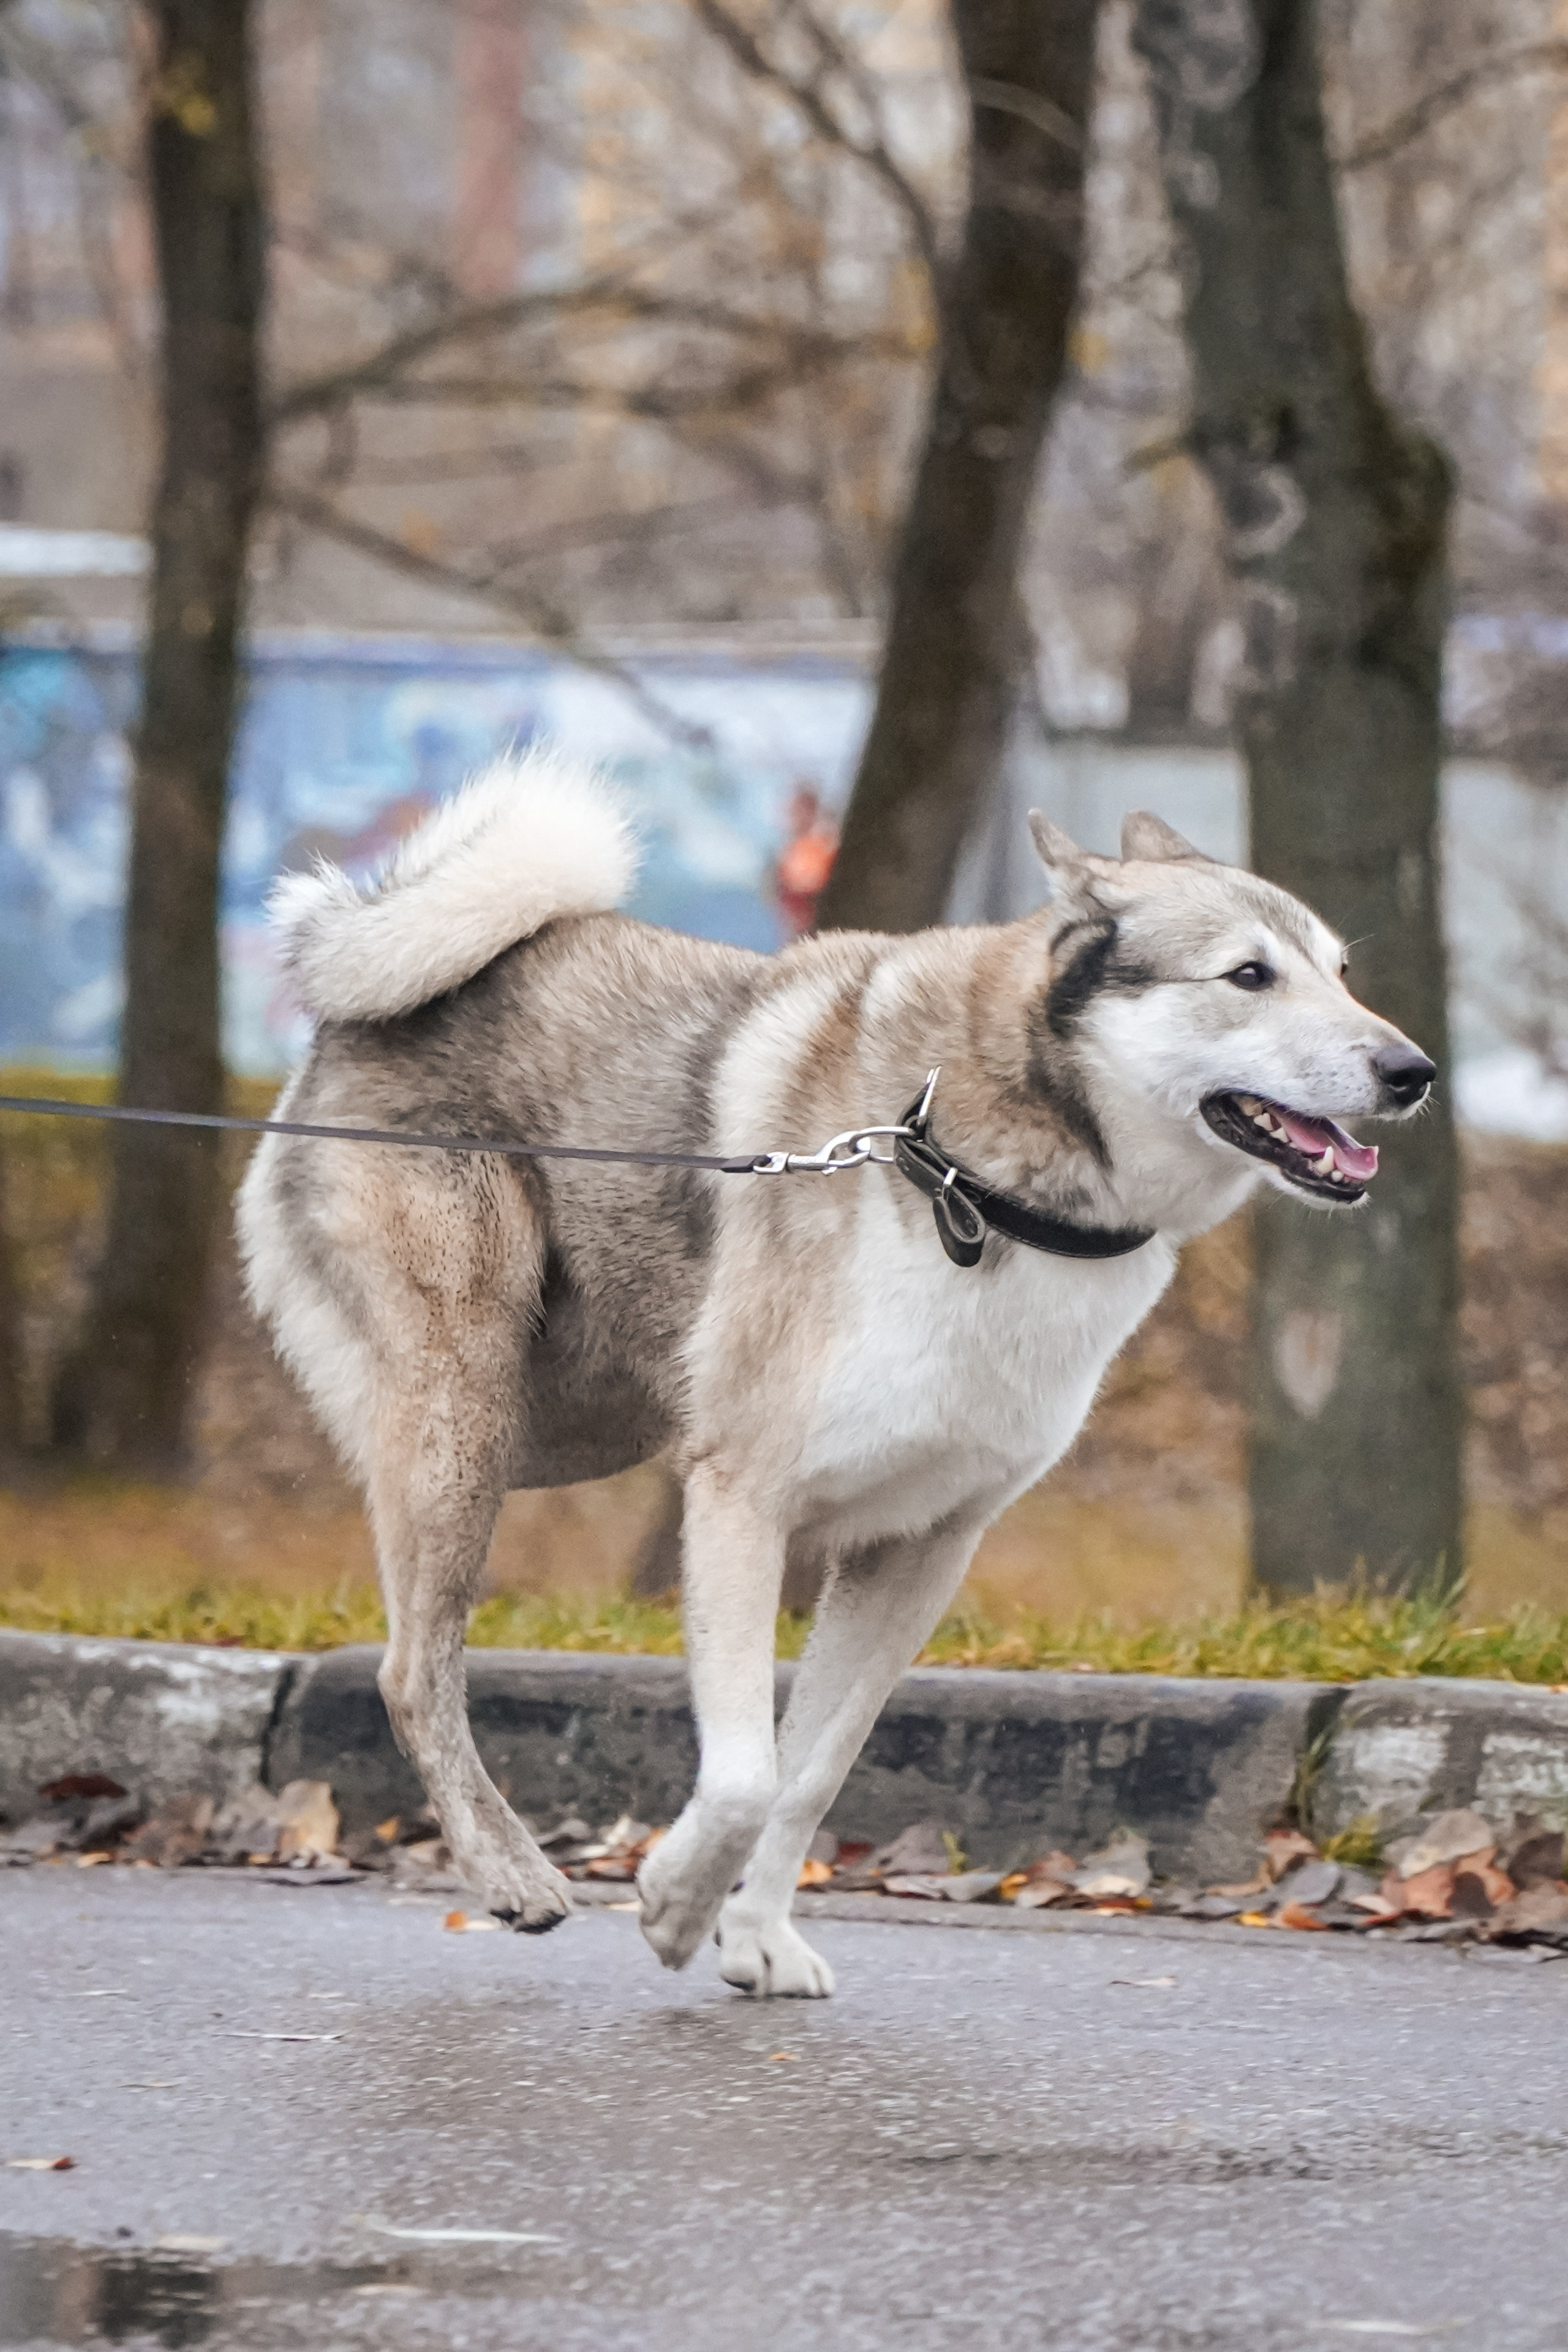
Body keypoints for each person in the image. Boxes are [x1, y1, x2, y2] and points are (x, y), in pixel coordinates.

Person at [771, 783, 839, 939]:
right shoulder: (789, 851)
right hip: (799, 931)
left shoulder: (822, 846)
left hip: (825, 929)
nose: (793, 817)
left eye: (798, 810)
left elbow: (810, 882)